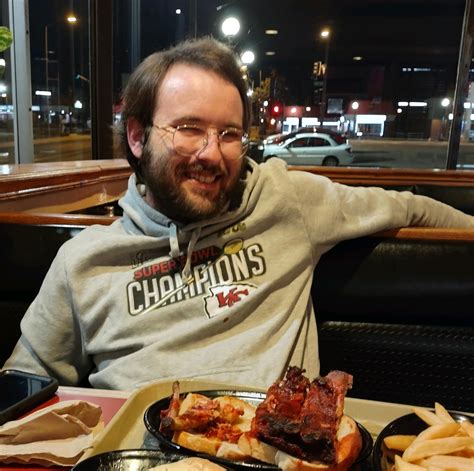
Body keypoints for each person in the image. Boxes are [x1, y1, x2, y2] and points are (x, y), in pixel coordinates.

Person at [3, 37, 474, 391]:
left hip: (273, 447)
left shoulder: (286, 200)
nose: (212, 154)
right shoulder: (83, 262)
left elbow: (412, 207)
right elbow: (26, 381)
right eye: (189, 129)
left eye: (229, 134)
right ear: (138, 137)